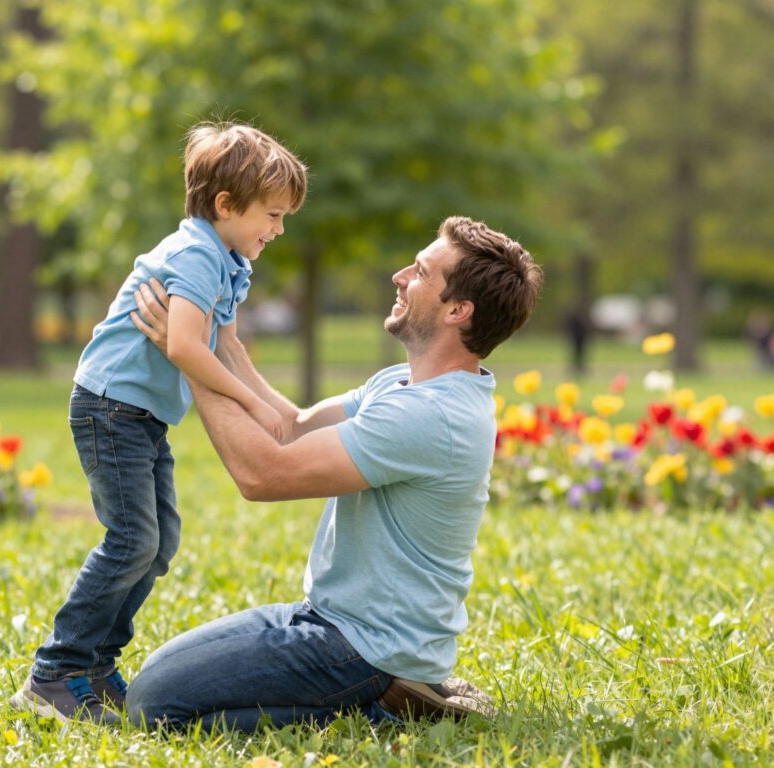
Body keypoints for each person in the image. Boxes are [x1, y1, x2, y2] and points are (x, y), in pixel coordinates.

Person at [125, 215, 543, 730]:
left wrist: (185, 353)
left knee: (155, 706)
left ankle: (384, 710)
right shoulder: (402, 385)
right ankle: (396, 694)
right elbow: (291, 427)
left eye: (420, 271)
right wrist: (221, 342)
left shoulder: (434, 415)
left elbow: (262, 473)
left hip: (367, 648)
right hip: (325, 619)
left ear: (458, 309)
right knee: (152, 676)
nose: (399, 276)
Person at [10, 122, 308, 724]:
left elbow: (227, 346)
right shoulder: (196, 254)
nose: (278, 229)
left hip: (139, 416)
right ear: (226, 205)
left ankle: (94, 666)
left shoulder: (225, 259)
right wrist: (249, 407)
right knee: (133, 539)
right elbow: (185, 347)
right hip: (109, 407)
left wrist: (278, 409)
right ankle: (54, 673)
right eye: (272, 215)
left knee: (158, 541)